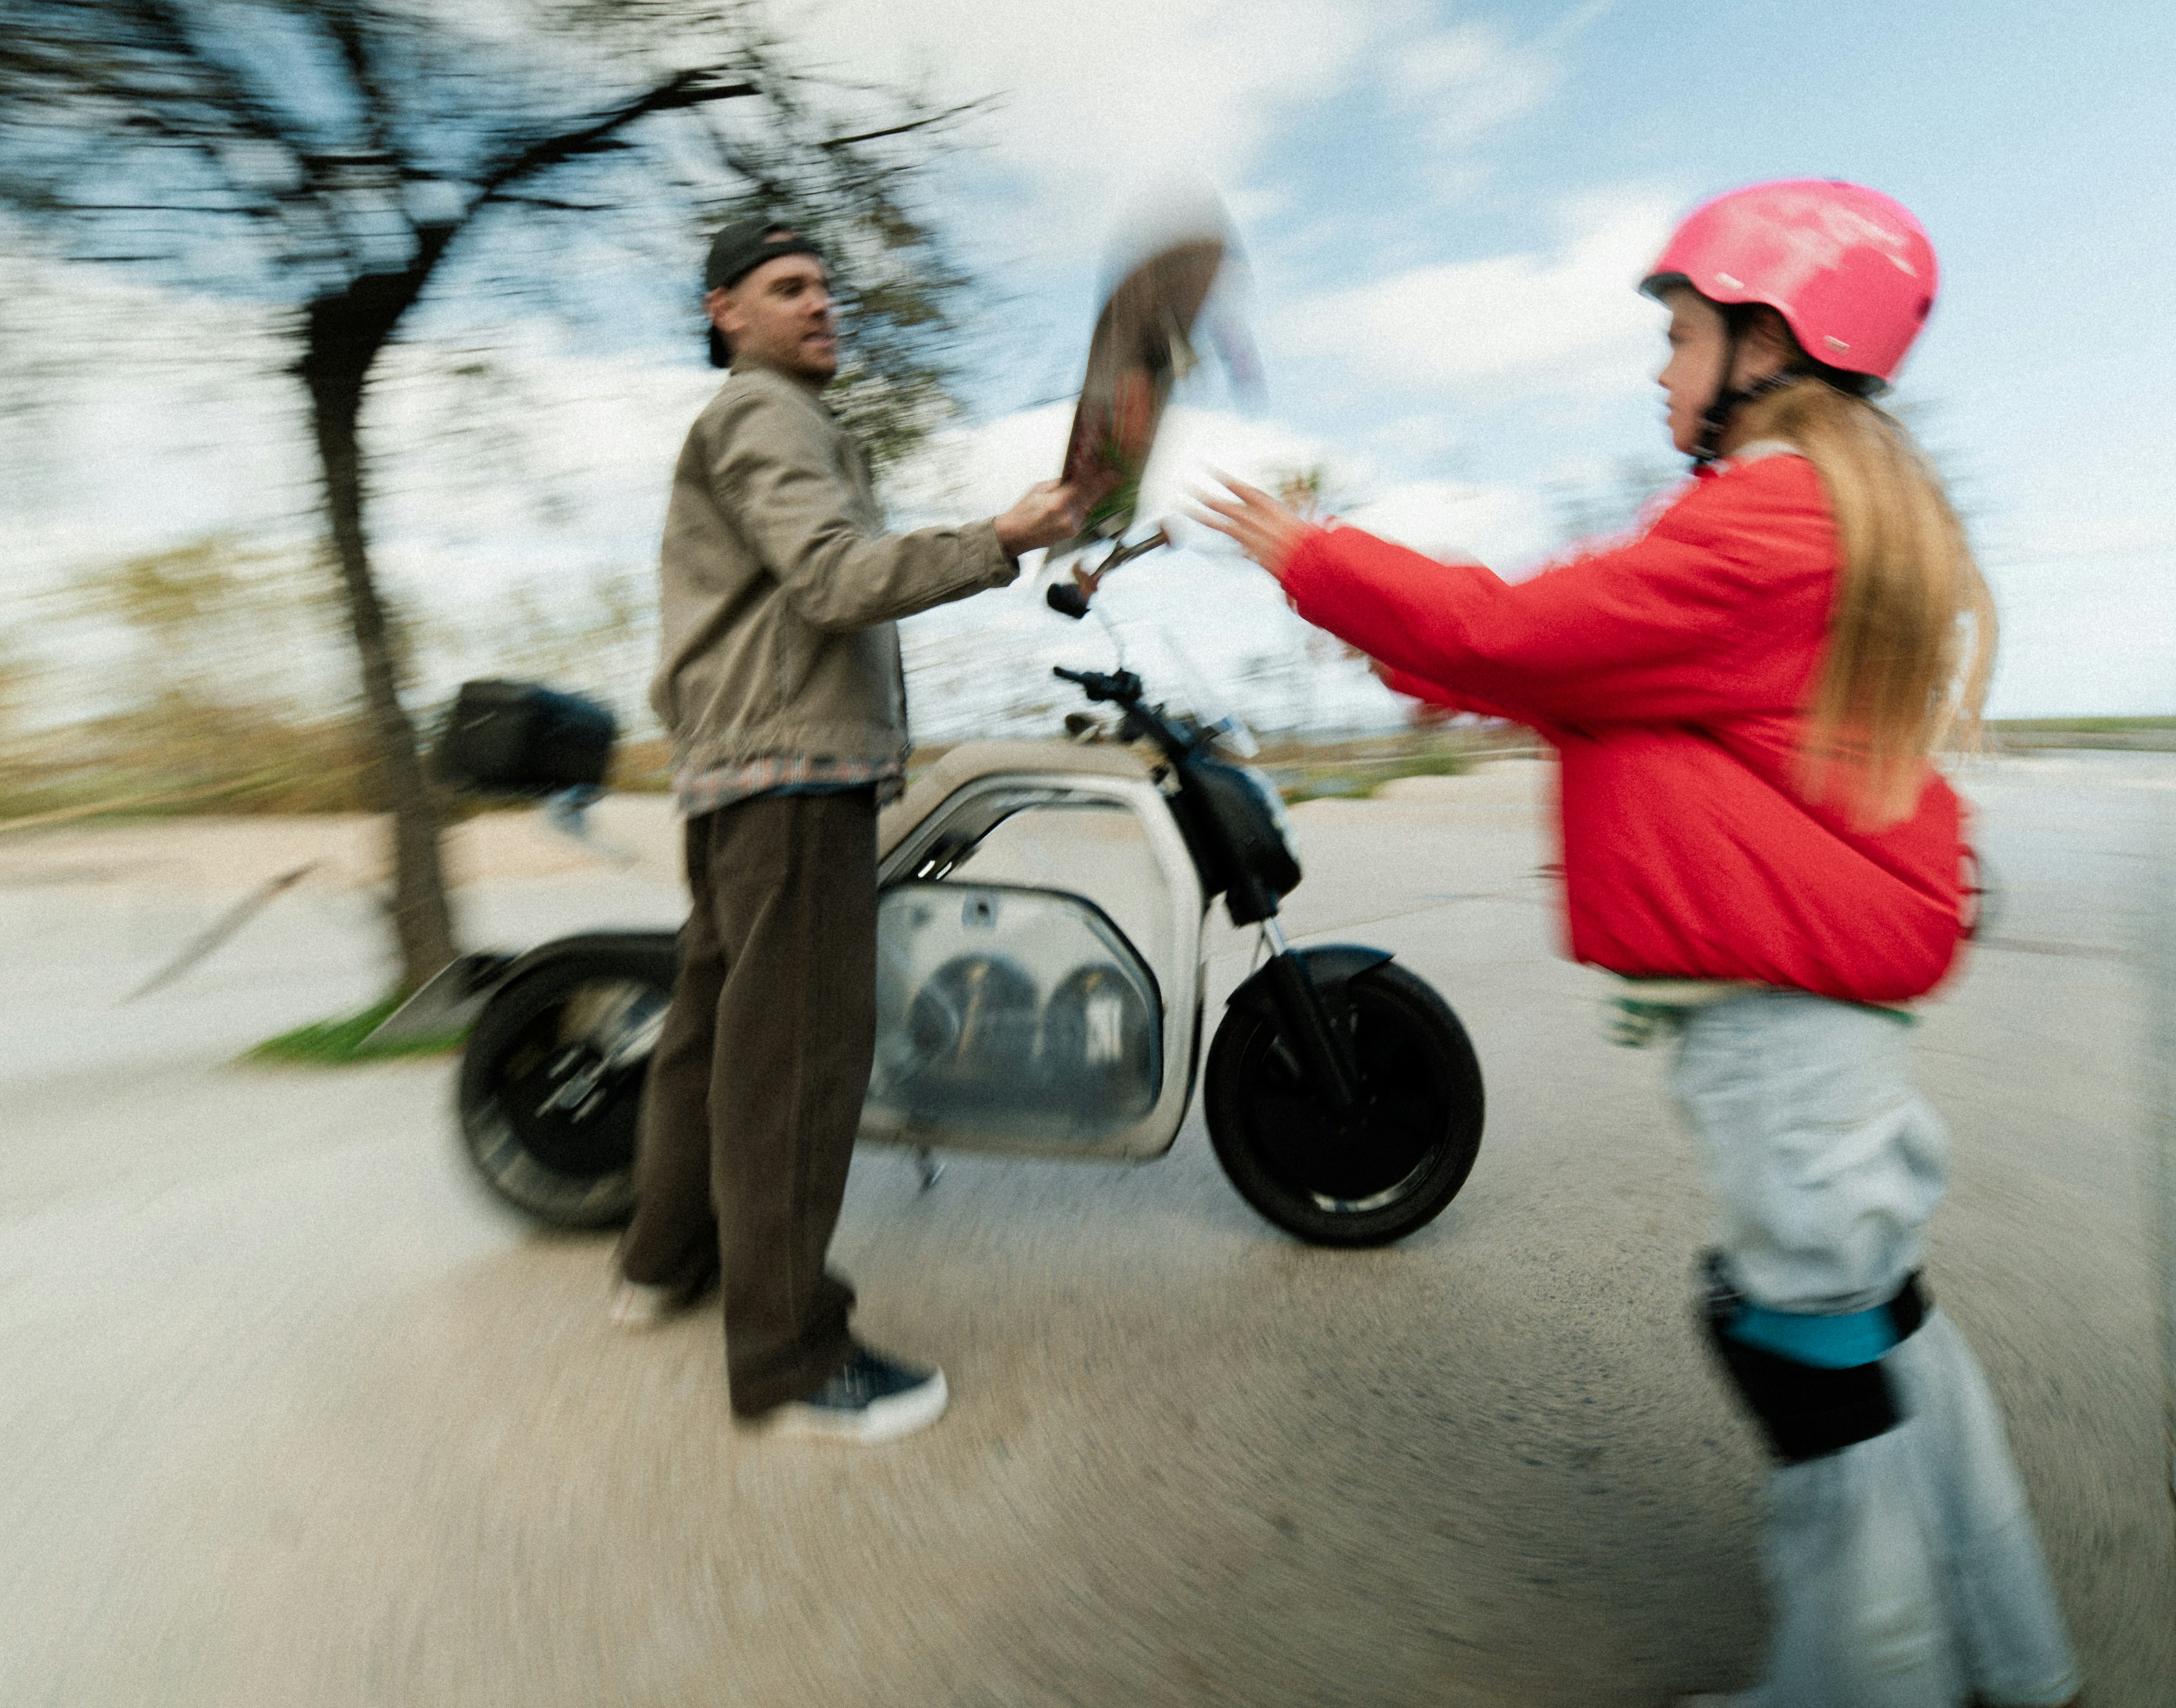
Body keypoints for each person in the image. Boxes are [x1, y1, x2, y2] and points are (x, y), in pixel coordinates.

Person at [1195, 180, 2081, 1705]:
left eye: (1677, 334)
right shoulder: (1822, 512)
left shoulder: (1771, 515)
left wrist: (1315, 559)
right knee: (1876, 1323)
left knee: (1805, 1350)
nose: (1659, 367)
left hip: (1781, 1019)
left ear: (1769, 338)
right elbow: (1587, 676)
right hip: (1806, 1006)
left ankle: (1868, 1687)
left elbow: (1523, 634)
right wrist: (1429, 651)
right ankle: (2016, 1656)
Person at [617, 217, 1092, 1443]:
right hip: (792, 778)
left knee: (712, 1036)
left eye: (827, 285)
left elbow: (804, 584)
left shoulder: (762, 422)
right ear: (725, 310)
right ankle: (785, 1352)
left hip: (742, 771)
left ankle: (662, 1261)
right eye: (789, 288)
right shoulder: (765, 413)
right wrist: (1004, 540)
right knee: (793, 1062)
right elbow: (832, 579)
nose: (823, 303)